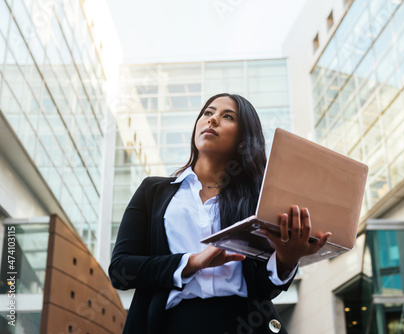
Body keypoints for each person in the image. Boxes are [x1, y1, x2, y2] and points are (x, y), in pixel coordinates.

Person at [108, 93, 332, 333]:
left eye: (227, 117)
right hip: (171, 323)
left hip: (244, 322)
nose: (212, 120)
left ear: (244, 139)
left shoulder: (259, 200)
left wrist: (287, 259)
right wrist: (191, 262)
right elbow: (122, 270)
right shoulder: (152, 192)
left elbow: (264, 288)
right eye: (207, 113)